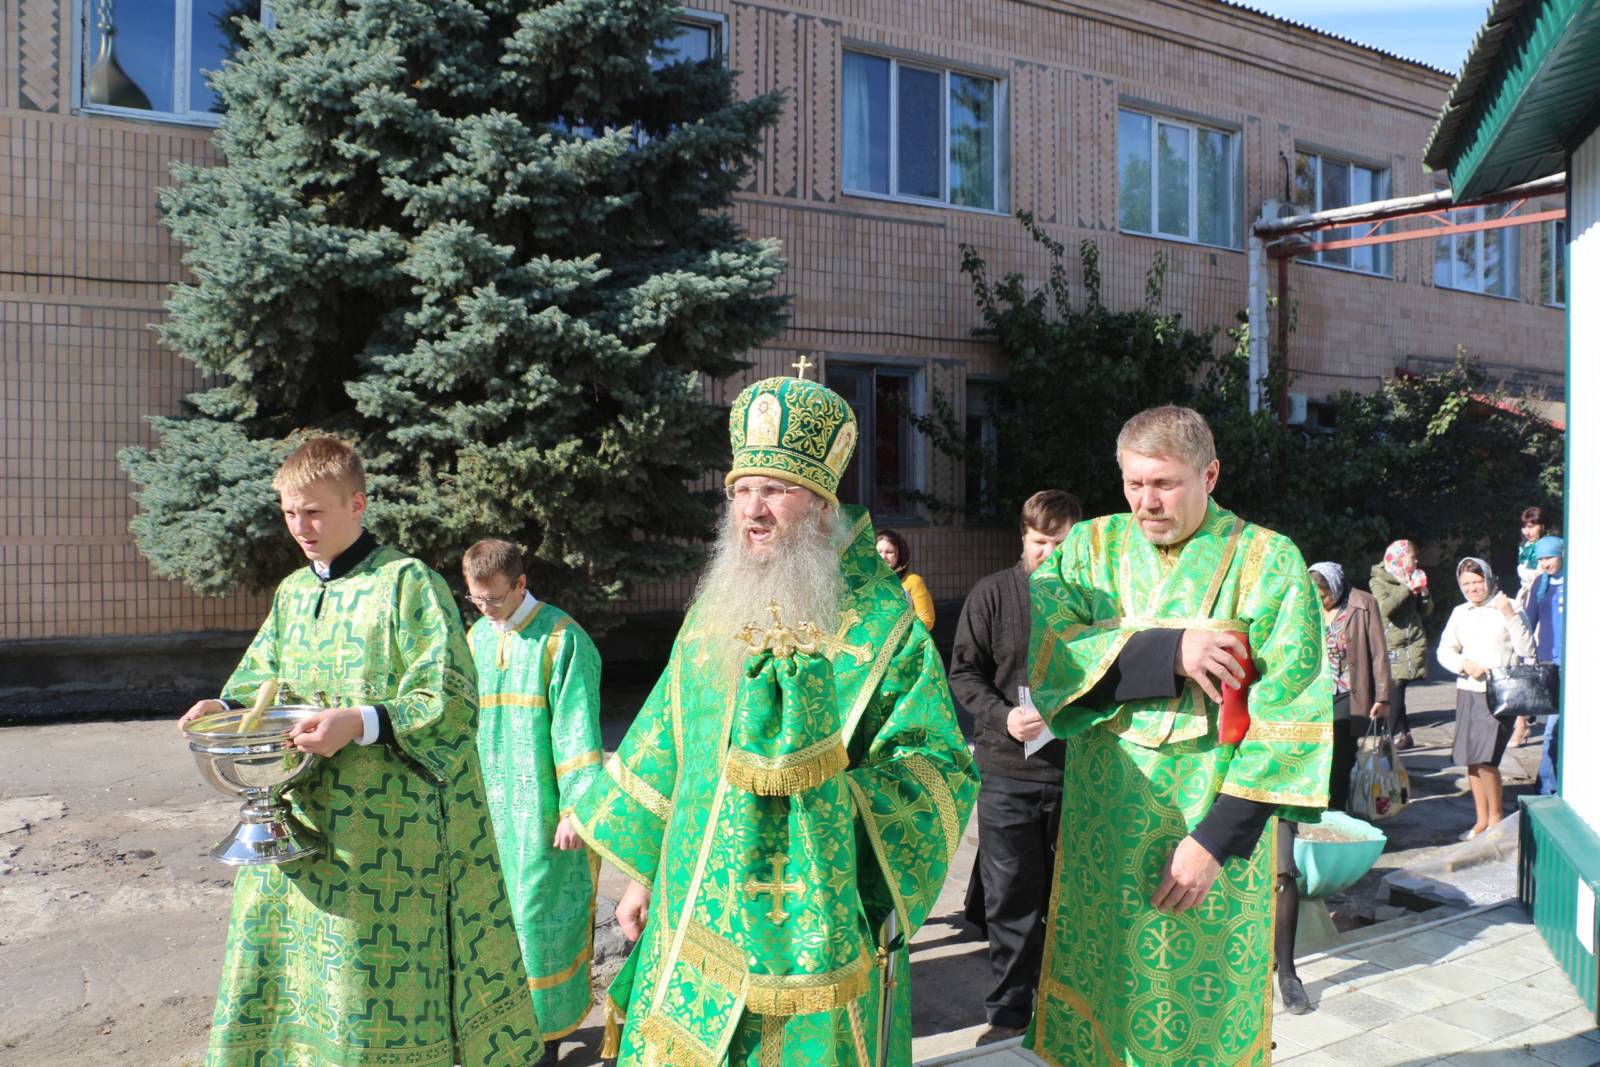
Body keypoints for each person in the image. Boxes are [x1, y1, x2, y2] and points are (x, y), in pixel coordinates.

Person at [572, 371, 978, 1065]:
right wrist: (643, 873)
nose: (752, 509)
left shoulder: (884, 632)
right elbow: (669, 743)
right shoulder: (711, 614)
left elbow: (936, 771)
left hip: (817, 930)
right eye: (741, 489)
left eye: (775, 490)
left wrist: (826, 799)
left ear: (821, 506)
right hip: (694, 913)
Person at [178, 437, 543, 1066]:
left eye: (315, 512)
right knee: (294, 962)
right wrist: (228, 711)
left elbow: (451, 699)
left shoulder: (408, 584)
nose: (301, 528)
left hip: (390, 837)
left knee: (367, 979)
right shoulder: (293, 591)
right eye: (291, 513)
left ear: (357, 503)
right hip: (306, 816)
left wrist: (362, 721)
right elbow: (263, 677)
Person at [1025, 406, 1331, 1067]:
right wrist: (1171, 651)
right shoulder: (1088, 548)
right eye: (1134, 484)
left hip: (1207, 834)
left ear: (1209, 474)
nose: (1146, 502)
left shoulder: (1268, 561)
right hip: (1101, 833)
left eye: (1163, 483)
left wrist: (1218, 839)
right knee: (1104, 1005)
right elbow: (1054, 656)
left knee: (1198, 1021)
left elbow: (1292, 717)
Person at [948, 489, 1082, 1043]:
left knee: (1070, 895)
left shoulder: (1091, 599)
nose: (1049, 554)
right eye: (1039, 543)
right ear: (1022, 539)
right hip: (1008, 772)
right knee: (1011, 898)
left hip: (1076, 771)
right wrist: (1003, 717)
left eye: (1061, 544)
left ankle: (1067, 1003)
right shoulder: (992, 595)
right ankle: (1007, 1015)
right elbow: (963, 674)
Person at [464, 538, 604, 1050]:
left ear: (521, 584)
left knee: (539, 922)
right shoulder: (478, 636)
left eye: (494, 599)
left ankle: (542, 1040)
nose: (485, 610)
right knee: (491, 923)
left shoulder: (561, 639)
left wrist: (576, 808)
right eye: (475, 601)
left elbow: (578, 730)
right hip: (487, 815)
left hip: (544, 817)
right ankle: (498, 1032)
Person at [1273, 561, 1391, 1015]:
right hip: (1252, 755)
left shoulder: (1359, 607)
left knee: (1285, 874)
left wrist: (1383, 696)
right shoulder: (1287, 624)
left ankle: (1288, 971)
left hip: (1319, 725)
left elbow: (1378, 654)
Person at [1436, 558, 1534, 838]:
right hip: (1469, 690)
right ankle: (1480, 820)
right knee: (1471, 759)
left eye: (1477, 582)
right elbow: (1445, 650)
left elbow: (1526, 647)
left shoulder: (1509, 605)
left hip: (1501, 693)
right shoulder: (1460, 612)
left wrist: (1509, 614)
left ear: (1488, 579)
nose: (1472, 588)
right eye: (1466, 583)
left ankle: (1496, 820)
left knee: (1487, 758)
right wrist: (1463, 664)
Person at [1370, 539, 1432, 751]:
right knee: (1396, 688)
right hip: (1391, 642)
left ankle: (1395, 736)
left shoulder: (1414, 578)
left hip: (1412, 641)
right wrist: (1407, 587)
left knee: (1398, 686)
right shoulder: (1378, 580)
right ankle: (1400, 734)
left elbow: (1426, 612)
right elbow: (1385, 608)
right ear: (1400, 558)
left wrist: (1424, 595)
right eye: (1413, 557)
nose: (1416, 562)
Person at [1523, 536, 1566, 795]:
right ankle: (1547, 788)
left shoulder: (1578, 580)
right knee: (1551, 730)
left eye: (1549, 557)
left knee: (1558, 729)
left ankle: (1551, 785)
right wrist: (1525, 657)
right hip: (1549, 663)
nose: (1544, 563)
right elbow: (1529, 621)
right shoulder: (1541, 583)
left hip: (1575, 664)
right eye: (1540, 559)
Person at [876, 528, 935, 629]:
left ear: (899, 554)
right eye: (879, 552)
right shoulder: (869, 582)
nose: (883, 557)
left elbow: (927, 620)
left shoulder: (913, 581)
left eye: (889, 552)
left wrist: (899, 636)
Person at [1515, 506, 1549, 600]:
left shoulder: (1549, 547)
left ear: (1542, 526)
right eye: (1523, 527)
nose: (1526, 532)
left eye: (1531, 527)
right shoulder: (1524, 547)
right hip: (1525, 595)